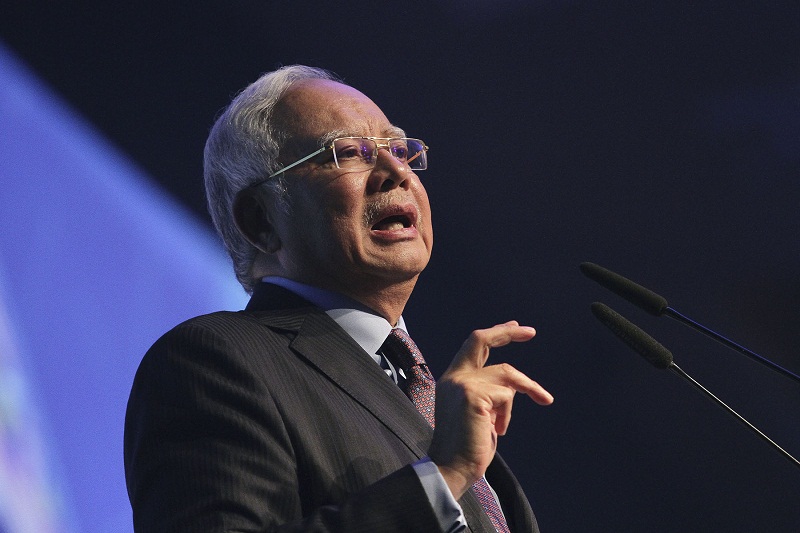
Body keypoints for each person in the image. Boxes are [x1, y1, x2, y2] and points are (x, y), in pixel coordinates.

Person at [124, 65, 554, 532]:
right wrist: (442, 476)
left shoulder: (424, 392)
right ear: (262, 220)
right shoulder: (214, 361)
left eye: (400, 150)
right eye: (348, 153)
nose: (395, 173)